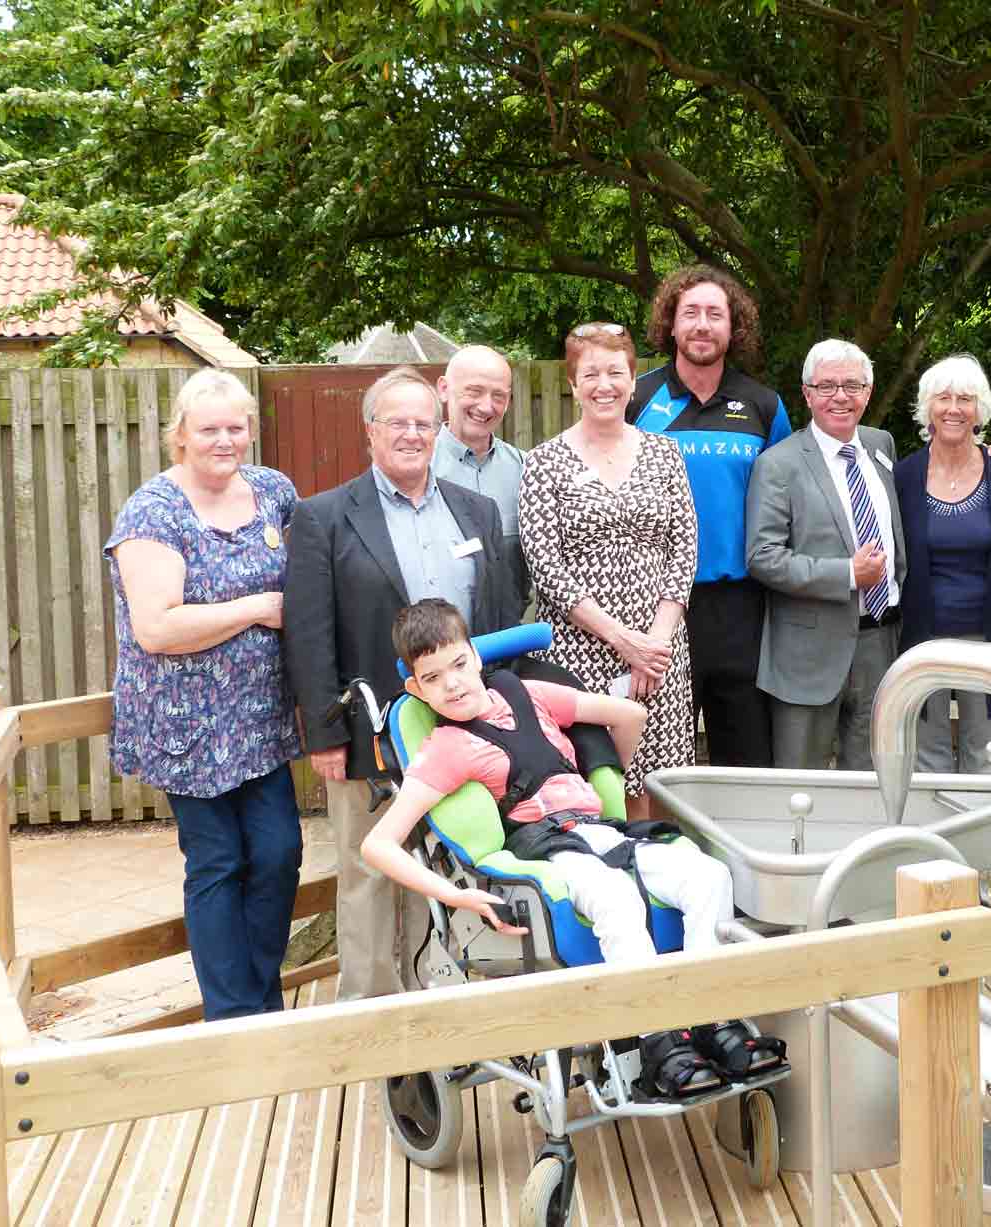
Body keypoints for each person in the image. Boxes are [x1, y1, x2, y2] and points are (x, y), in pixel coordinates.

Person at [359, 598, 782, 1098]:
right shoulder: (446, 749)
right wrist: (456, 897)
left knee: (708, 875)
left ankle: (712, 1021)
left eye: (457, 665)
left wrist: (608, 782)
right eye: (433, 678)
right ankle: (657, 1043)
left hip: (602, 830)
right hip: (546, 848)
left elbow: (628, 713)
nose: (452, 683)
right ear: (415, 688)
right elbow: (378, 844)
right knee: (614, 896)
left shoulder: (524, 694)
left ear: (476, 656)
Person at [283, 365, 519, 1002]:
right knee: (366, 866)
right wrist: (325, 735)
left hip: (461, 721)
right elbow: (307, 634)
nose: (412, 434)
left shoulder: (478, 510)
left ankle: (431, 991)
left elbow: (496, 617)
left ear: (439, 430)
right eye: (398, 422)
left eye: (424, 423)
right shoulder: (322, 518)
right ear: (371, 432)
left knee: (447, 856)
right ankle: (367, 1007)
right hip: (371, 727)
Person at [104, 369, 302, 1021]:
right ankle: (235, 1015)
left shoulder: (274, 491)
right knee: (217, 862)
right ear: (181, 434)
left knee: (278, 853)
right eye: (209, 428)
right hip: (185, 725)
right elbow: (156, 627)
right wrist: (253, 608)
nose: (225, 438)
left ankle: (259, 993)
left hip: (261, 722)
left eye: (235, 426)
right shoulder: (153, 510)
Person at [518, 322, 699, 819]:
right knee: (596, 788)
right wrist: (624, 642)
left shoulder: (666, 454)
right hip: (583, 650)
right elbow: (546, 567)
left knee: (659, 791)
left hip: (660, 652)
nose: (604, 384)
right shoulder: (544, 463)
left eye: (615, 372)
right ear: (573, 384)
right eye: (590, 373)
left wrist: (654, 647)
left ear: (633, 380)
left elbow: (684, 548)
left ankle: (658, 885)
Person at [629, 266, 793, 767]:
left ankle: (739, 847)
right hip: (653, 605)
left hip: (739, 604)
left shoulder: (764, 406)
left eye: (715, 315)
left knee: (744, 755)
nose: (703, 325)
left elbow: (794, 495)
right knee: (657, 759)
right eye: (691, 313)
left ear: (733, 328)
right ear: (671, 325)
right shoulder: (636, 399)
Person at [746, 339, 905, 770]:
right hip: (807, 655)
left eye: (852, 385)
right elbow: (762, 556)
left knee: (876, 788)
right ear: (808, 394)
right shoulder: (777, 464)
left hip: (880, 646)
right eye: (828, 385)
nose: (841, 396)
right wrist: (848, 574)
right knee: (803, 792)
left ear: (868, 392)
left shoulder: (881, 446)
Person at [895, 354, 991, 772]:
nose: (954, 408)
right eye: (944, 398)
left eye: (966, 399)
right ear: (927, 408)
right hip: (921, 637)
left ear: (980, 410)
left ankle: (978, 838)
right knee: (926, 758)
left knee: (984, 758)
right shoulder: (902, 477)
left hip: (990, 639)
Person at [433, 344, 531, 613]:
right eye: (474, 391)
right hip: (438, 642)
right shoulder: (419, 471)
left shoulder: (526, 471)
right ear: (443, 389)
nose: (486, 406)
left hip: (511, 638)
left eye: (498, 396)